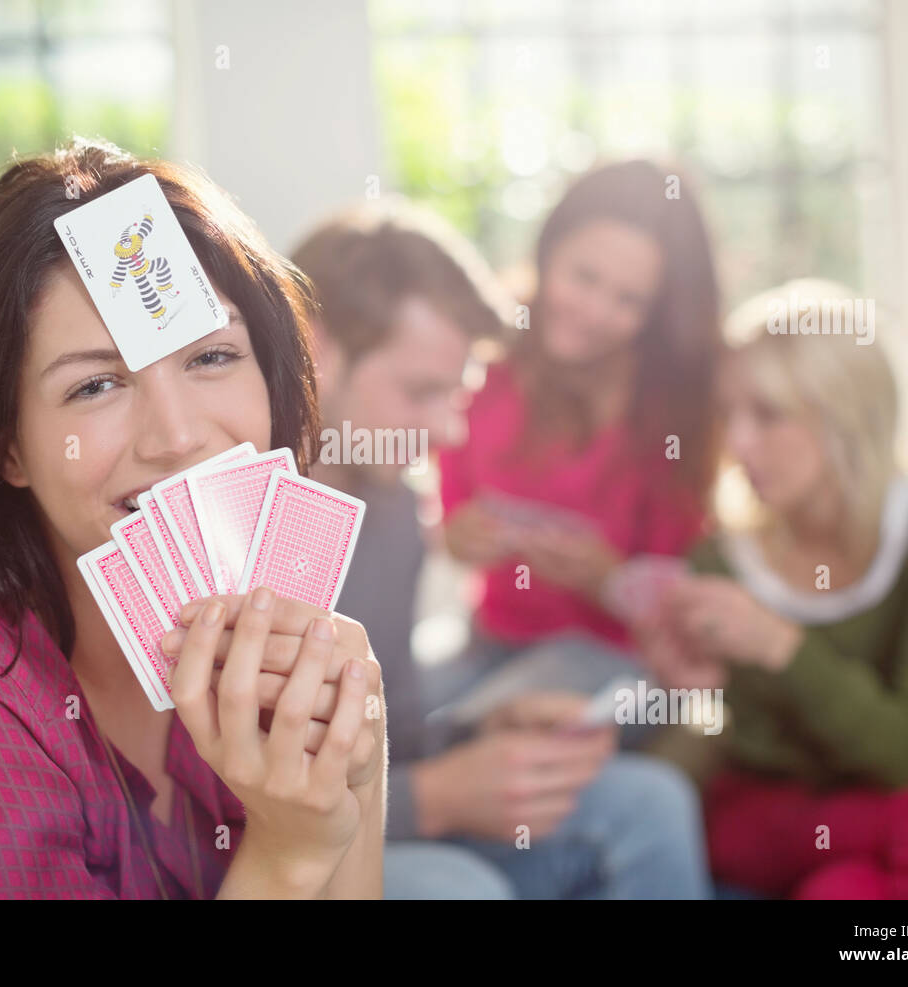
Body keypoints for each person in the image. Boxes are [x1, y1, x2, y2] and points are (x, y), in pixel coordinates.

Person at [0, 138, 386, 899]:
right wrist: (290, 853)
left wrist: (360, 780)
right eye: (97, 385)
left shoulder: (254, 640)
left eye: (210, 357)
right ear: (7, 445)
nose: (177, 435)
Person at [293, 199, 711, 898]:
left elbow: (397, 735)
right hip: (287, 857)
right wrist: (435, 798)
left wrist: (483, 729)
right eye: (421, 391)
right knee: (462, 888)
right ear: (315, 350)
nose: (452, 435)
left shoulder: (395, 509)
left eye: (456, 394)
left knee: (651, 802)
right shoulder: (231, 515)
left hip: (382, 806)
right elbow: (214, 824)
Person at [639, 279, 908, 899]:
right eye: (729, 414)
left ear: (847, 415)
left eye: (768, 413)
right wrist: (682, 692)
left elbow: (906, 748)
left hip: (885, 813)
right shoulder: (718, 560)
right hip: (780, 816)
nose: (738, 442)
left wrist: (779, 645)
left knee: (845, 892)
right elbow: (901, 765)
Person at [432, 159, 725, 720]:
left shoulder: (671, 414)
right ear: (548, 252)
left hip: (615, 661)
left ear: (657, 312)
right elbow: (452, 518)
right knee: (394, 697)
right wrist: (459, 538)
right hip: (489, 638)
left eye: (628, 300)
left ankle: (430, 774)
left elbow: (682, 598)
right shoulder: (488, 368)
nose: (594, 312)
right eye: (584, 278)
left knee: (485, 719)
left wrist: (609, 579)